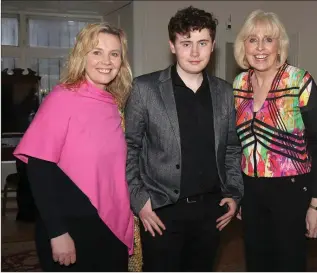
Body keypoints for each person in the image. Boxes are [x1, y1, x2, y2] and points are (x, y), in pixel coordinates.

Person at [125, 6, 243, 272]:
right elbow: (129, 148)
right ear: (172, 45)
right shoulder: (144, 90)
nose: (194, 52)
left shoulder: (225, 92)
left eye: (202, 43)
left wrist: (234, 194)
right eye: (186, 43)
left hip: (211, 211)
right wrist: (139, 201)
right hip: (161, 211)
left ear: (213, 45)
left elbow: (233, 149)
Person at [13, 22, 134, 272]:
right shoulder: (62, 99)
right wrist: (57, 233)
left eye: (114, 54)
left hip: (108, 226)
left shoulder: (114, 104)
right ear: (82, 56)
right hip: (70, 228)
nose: (106, 61)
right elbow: (38, 169)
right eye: (97, 52)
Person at [232, 10, 317, 272]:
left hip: (292, 191)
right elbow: (237, 145)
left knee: (288, 263)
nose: (260, 47)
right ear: (244, 46)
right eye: (253, 40)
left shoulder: (299, 81)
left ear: (279, 45)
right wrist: (239, 195)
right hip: (251, 191)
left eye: (268, 39)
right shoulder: (239, 84)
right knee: (256, 262)